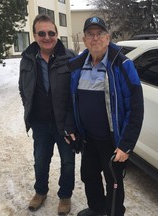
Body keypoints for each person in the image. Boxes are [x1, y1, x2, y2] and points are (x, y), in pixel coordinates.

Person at [69, 16, 144, 216]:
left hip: (113, 140)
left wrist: (126, 144)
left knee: (114, 183)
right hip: (88, 138)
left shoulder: (122, 65)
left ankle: (113, 213)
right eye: (90, 34)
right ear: (84, 39)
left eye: (100, 34)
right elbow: (73, 101)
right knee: (89, 176)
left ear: (108, 38)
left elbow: (135, 108)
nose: (95, 38)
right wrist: (73, 129)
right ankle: (96, 208)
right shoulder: (77, 65)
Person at [18, 14, 76, 215]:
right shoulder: (27, 58)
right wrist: (30, 110)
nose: (47, 37)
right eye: (41, 33)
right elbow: (22, 87)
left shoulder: (69, 58)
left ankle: (65, 196)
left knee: (68, 163)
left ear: (57, 34)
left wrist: (72, 122)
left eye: (51, 33)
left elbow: (76, 94)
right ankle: (40, 192)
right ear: (34, 35)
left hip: (64, 124)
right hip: (40, 124)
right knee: (41, 160)